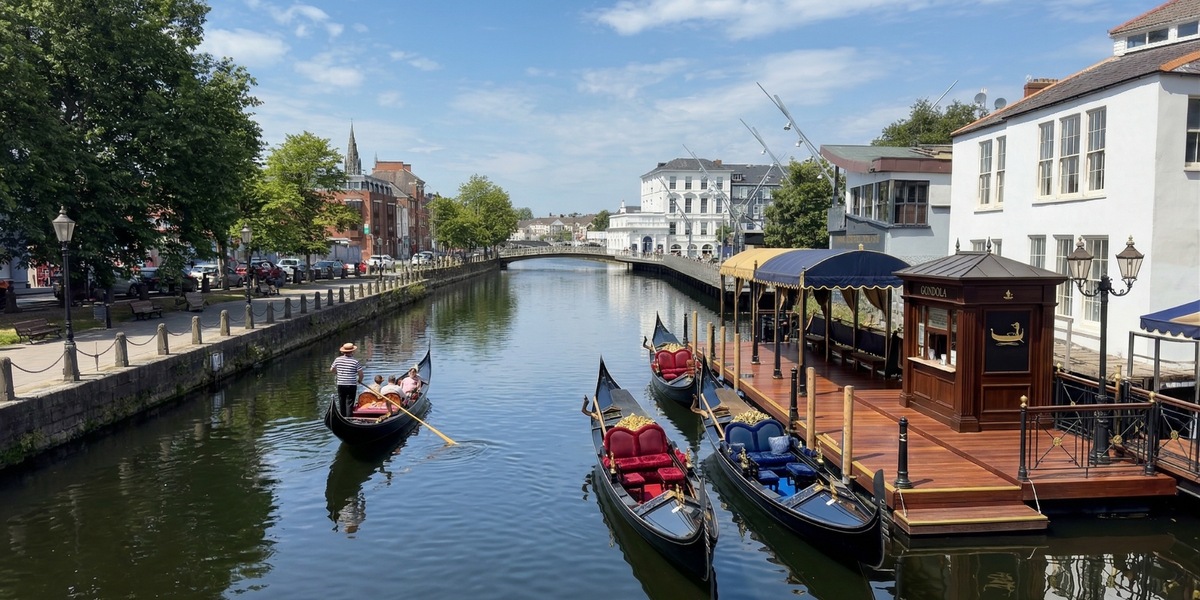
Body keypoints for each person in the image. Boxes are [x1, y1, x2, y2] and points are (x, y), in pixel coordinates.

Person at [330, 343, 364, 416]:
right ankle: (349, 419)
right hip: (351, 385)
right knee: (349, 404)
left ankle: (343, 417)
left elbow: (332, 369)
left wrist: (337, 373)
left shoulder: (337, 359)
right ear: (352, 351)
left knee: (342, 403)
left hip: (341, 385)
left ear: (343, 352)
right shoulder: (355, 361)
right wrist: (360, 380)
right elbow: (361, 374)